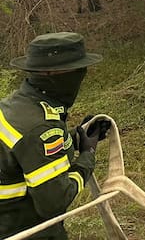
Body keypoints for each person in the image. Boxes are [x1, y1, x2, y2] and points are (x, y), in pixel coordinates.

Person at [0, 32, 107, 239]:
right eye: (77, 70)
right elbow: (54, 202)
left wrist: (76, 138)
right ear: (52, 74)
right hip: (23, 230)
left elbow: (26, 154)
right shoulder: (41, 126)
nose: (82, 76)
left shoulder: (17, 105)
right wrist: (87, 156)